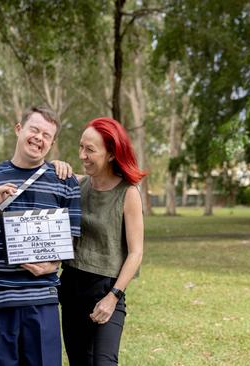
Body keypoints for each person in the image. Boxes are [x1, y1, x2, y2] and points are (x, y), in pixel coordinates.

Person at [0, 106, 81, 366]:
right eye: (34, 129)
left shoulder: (65, 181)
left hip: (41, 298)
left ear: (52, 142)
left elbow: (71, 237)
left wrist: (54, 264)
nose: (39, 138)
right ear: (19, 129)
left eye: (46, 135)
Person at [59, 117, 145, 366]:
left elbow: (136, 252)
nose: (82, 155)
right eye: (81, 147)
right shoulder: (79, 184)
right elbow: (50, 175)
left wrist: (113, 296)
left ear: (110, 154)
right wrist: (56, 164)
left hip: (106, 289)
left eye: (90, 149)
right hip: (72, 285)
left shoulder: (128, 193)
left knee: (104, 362)